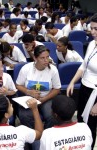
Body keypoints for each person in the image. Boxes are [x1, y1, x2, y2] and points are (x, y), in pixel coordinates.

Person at [67, 13, 97, 149]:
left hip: (95, 94)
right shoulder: (91, 43)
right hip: (85, 87)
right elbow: (84, 65)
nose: (92, 32)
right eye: (91, 28)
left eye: (96, 29)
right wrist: (73, 81)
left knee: (91, 125)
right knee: (80, 120)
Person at [16, 45, 61, 129]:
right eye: (42, 58)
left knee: (52, 116)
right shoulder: (26, 68)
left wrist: (44, 99)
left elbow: (57, 88)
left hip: (46, 98)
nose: (46, 60)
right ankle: (33, 136)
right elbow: (18, 85)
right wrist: (28, 92)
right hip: (29, 98)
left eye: (47, 57)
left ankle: (46, 135)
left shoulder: (53, 70)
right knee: (25, 116)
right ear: (35, 58)